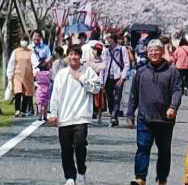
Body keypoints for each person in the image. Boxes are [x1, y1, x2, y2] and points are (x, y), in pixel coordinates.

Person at [128, 39, 183, 185]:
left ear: (162, 52)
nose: (153, 53)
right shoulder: (141, 72)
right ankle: (140, 177)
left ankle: (162, 178)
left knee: (164, 150)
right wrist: (130, 114)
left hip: (165, 119)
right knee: (142, 148)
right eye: (151, 50)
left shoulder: (172, 71)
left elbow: (177, 90)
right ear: (147, 53)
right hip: (144, 118)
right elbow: (133, 94)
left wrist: (173, 107)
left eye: (156, 50)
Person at [48, 44, 103, 185]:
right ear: (67, 56)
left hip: (81, 115)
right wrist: (53, 113)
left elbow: (96, 89)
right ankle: (70, 177)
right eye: (71, 54)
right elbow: (55, 95)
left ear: (80, 56)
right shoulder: (61, 74)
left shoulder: (88, 71)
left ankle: (81, 171)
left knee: (79, 145)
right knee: (66, 149)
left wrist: (81, 78)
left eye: (76, 54)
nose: (73, 57)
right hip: (65, 116)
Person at [104, 32, 134, 127]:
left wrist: (123, 77)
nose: (108, 41)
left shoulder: (122, 49)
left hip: (118, 76)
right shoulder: (106, 50)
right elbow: (104, 65)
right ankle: (113, 115)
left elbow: (126, 64)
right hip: (108, 77)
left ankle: (113, 116)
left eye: (109, 39)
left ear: (113, 39)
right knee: (109, 98)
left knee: (117, 97)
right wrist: (101, 80)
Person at [6, 39, 36, 117]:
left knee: (27, 93)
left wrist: (36, 71)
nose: (24, 42)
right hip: (17, 74)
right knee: (18, 92)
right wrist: (9, 76)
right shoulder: (16, 52)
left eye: (25, 40)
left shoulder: (31, 52)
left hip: (28, 75)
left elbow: (35, 63)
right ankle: (17, 109)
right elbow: (11, 63)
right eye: (23, 40)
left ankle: (23, 110)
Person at [88, 43, 108, 122]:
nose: (93, 51)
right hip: (91, 81)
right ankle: (90, 115)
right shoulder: (90, 61)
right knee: (90, 99)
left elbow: (103, 73)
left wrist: (102, 83)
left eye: (94, 49)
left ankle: (99, 116)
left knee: (100, 100)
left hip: (99, 82)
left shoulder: (103, 62)